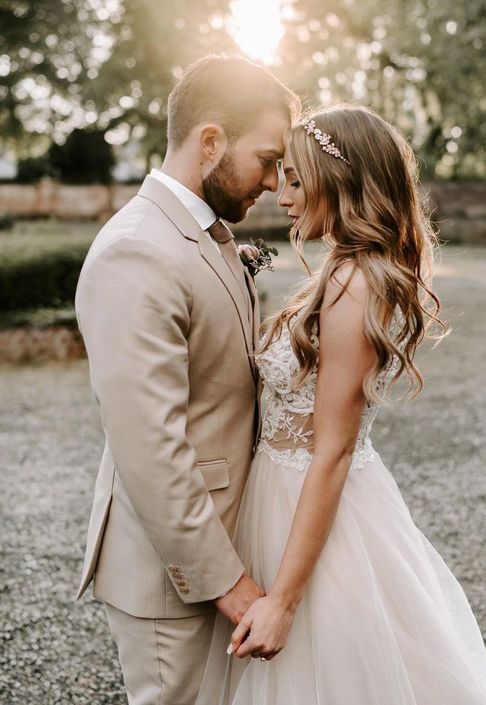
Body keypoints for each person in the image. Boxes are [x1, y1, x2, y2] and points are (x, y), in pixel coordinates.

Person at [195, 106, 486, 704]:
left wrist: (283, 600)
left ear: (344, 182)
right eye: (281, 176)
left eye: (296, 180)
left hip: (313, 504)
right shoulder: (342, 268)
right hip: (278, 494)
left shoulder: (357, 284)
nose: (280, 195)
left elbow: (332, 449)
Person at [74, 54, 300, 705]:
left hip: (227, 545)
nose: (273, 180)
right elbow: (151, 450)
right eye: (267, 158)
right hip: (177, 581)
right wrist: (228, 582)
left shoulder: (205, 237)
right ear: (210, 142)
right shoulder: (136, 251)